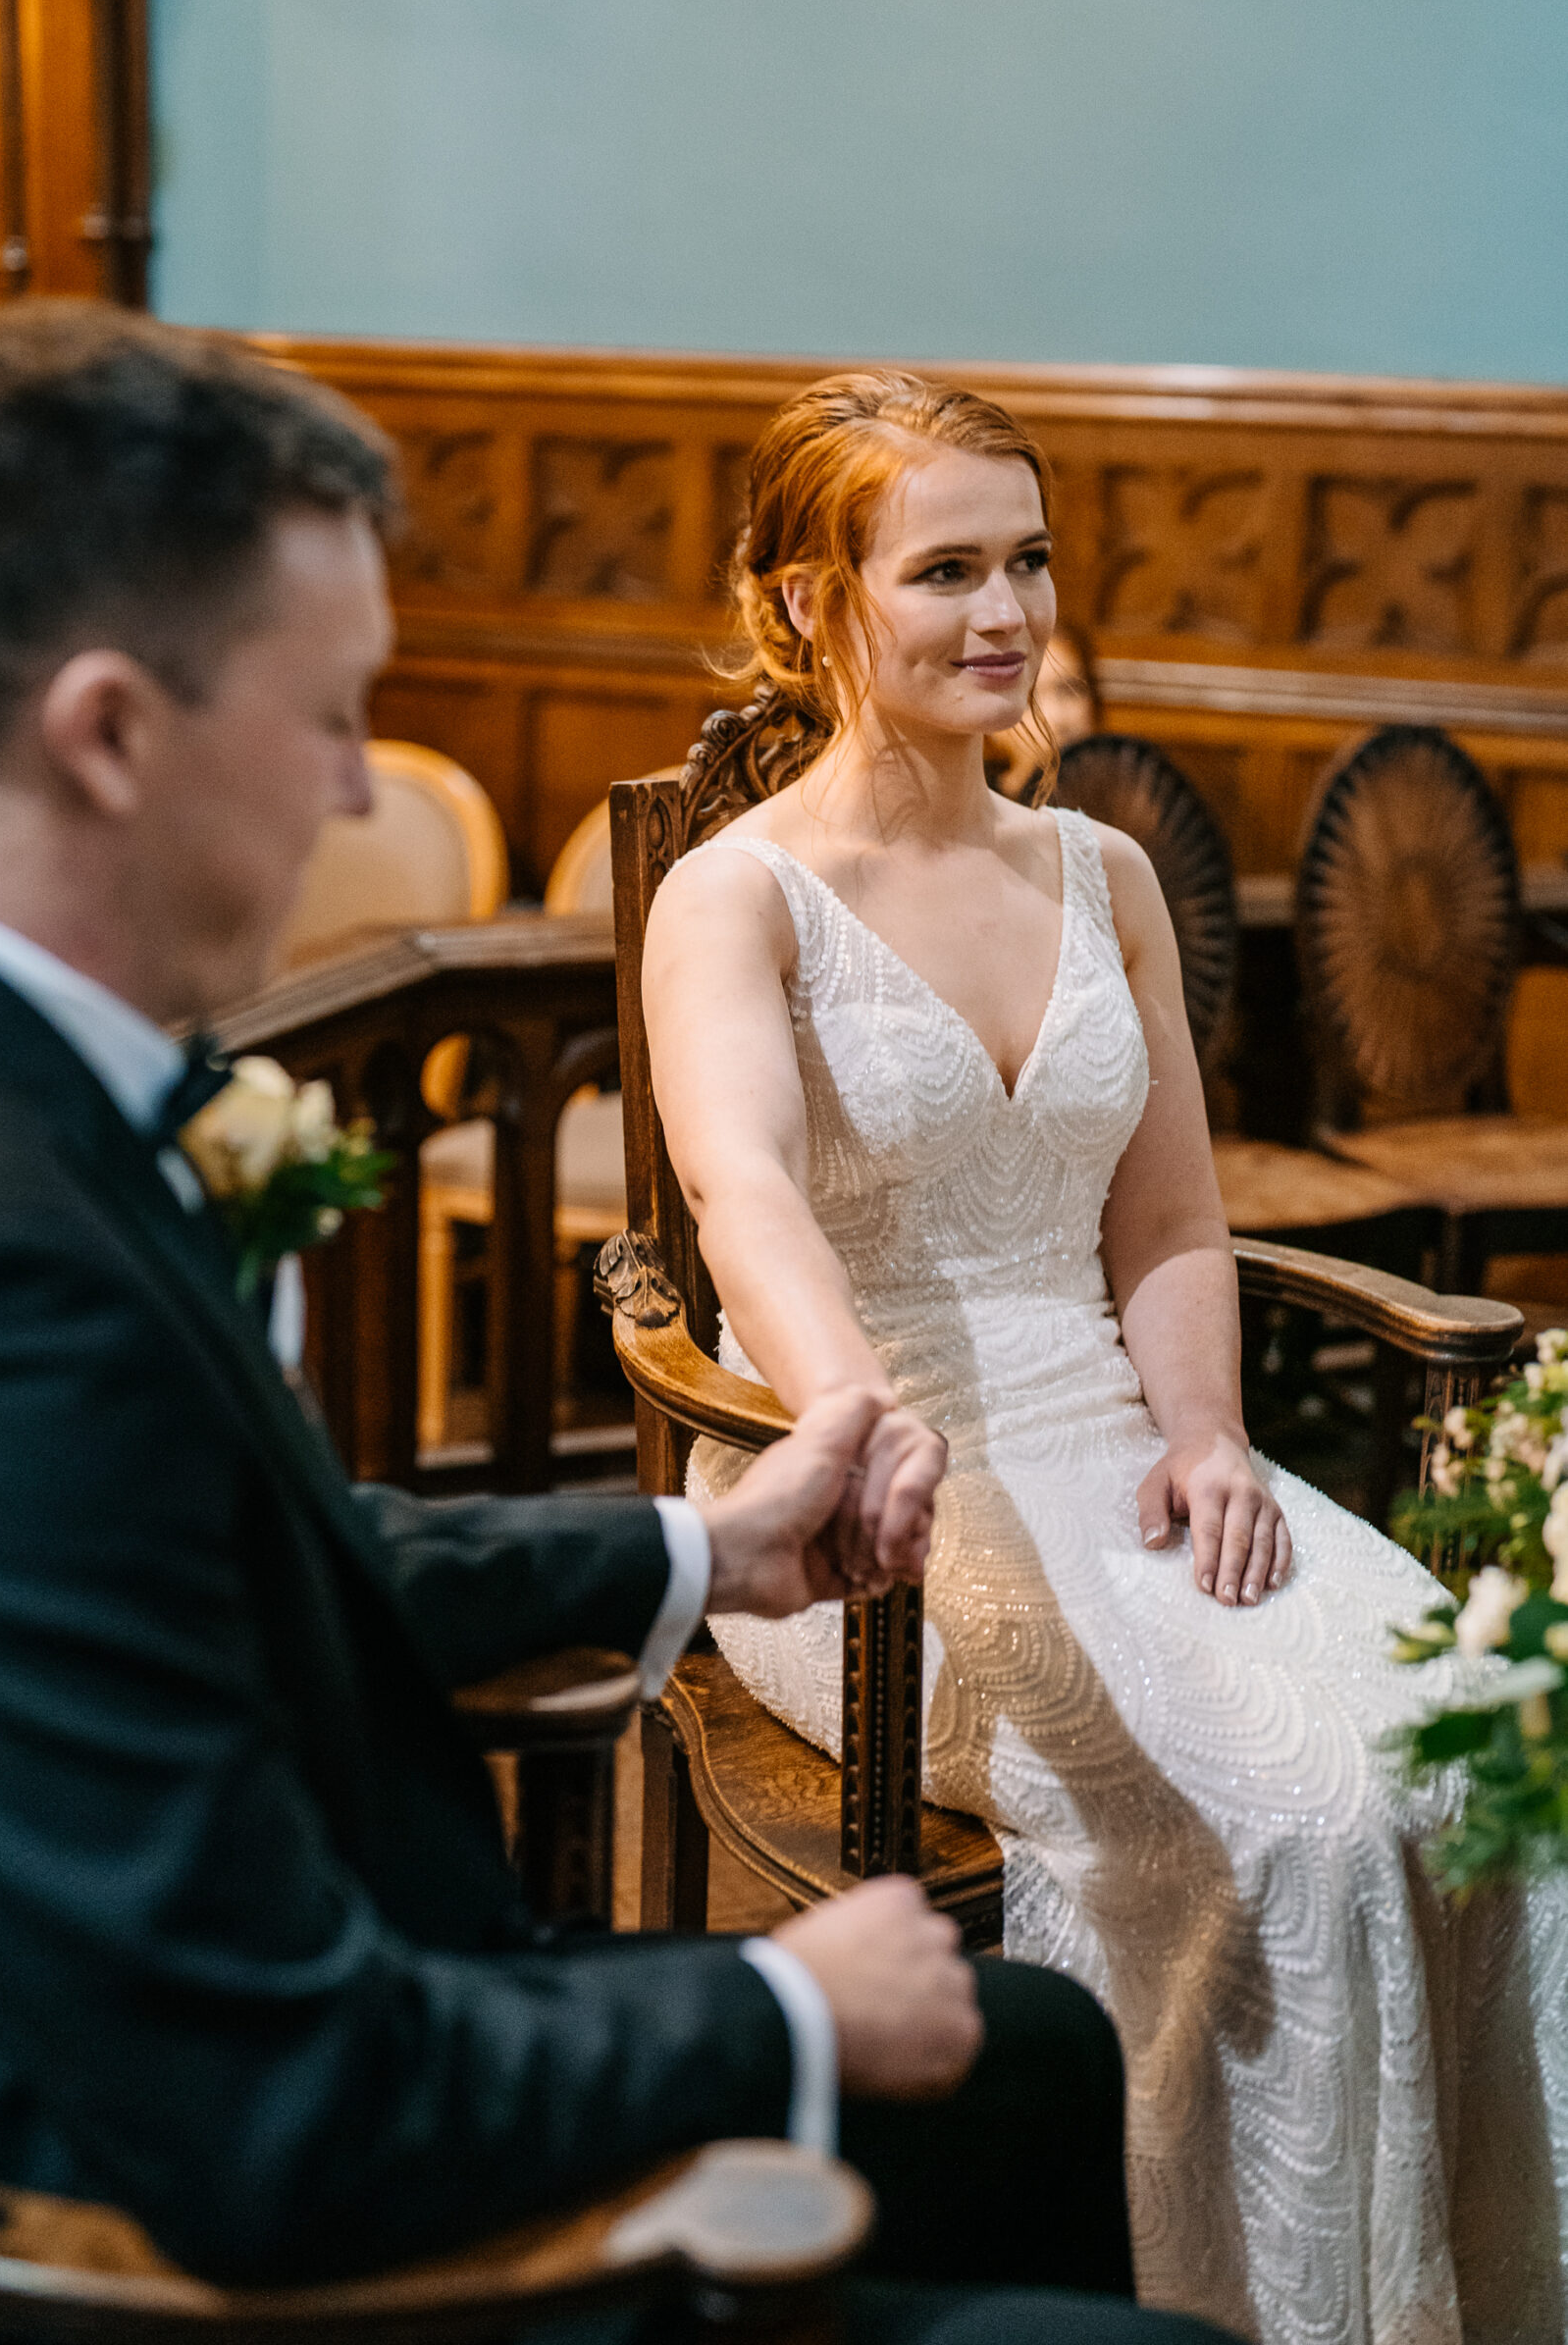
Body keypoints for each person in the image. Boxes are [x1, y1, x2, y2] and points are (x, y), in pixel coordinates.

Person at [0, 302, 1237, 2345]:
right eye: (333, 713)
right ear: (107, 731)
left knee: (1031, 2046)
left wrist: (694, 1545)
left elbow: (251, 1565)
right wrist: (772, 2001)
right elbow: (264, 2108)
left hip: (315, 2011)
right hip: (185, 2226)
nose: (361, 789)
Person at [643, 371, 1568, 2345]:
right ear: (812, 599)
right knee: (1292, 1813)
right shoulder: (731, 896)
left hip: (1115, 1428)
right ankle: (1243, 2311)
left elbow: (1159, 1217)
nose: (1004, 611)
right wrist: (857, 1429)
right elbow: (743, 1200)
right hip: (854, 1492)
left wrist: (1213, 1433)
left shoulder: (1103, 873)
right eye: (946, 567)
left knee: (1481, 1731)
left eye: (1029, 560)